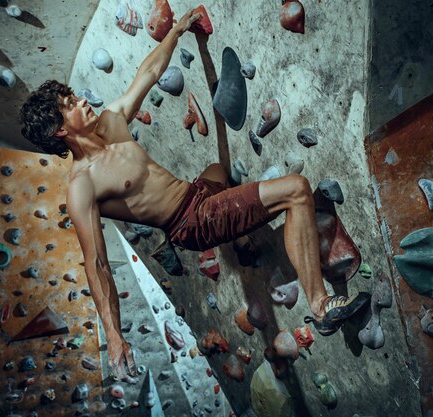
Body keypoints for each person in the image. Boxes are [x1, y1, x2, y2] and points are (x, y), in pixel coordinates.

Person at [19, 9, 369, 380]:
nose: (81, 101)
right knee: (296, 190)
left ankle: (243, 233)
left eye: (73, 96)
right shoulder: (81, 186)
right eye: (70, 105)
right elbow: (97, 264)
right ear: (59, 131)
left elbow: (149, 74)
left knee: (219, 171)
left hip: (198, 194)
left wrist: (178, 30)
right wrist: (114, 336)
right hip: (192, 222)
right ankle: (321, 306)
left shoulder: (111, 122)